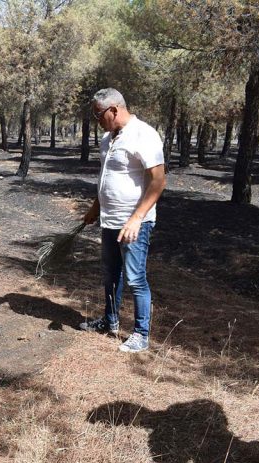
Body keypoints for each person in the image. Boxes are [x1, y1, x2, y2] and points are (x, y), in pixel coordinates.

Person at [81, 88, 167, 353]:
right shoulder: (108, 139)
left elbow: (158, 180)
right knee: (111, 274)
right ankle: (110, 320)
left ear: (114, 110)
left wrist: (136, 219)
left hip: (134, 223)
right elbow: (106, 178)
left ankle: (141, 335)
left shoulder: (144, 134)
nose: (97, 122)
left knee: (135, 278)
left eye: (98, 115)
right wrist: (96, 207)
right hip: (110, 220)